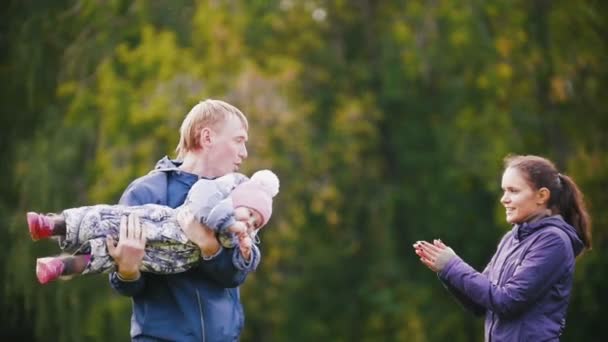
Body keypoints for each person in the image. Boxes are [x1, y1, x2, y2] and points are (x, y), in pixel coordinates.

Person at [106, 99, 253, 341]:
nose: (244, 153)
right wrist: (128, 270)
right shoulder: (145, 193)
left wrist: (209, 245)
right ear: (207, 138)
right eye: (239, 140)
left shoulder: (236, 197)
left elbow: (235, 275)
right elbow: (123, 284)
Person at [414, 154, 592, 341]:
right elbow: (480, 304)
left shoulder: (554, 241)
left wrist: (452, 265)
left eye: (513, 191)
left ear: (541, 196)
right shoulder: (511, 238)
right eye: (504, 191)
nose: (504, 199)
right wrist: (445, 269)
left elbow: (507, 302)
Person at [27, 169, 280, 284]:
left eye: (256, 223)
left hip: (168, 259)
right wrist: (127, 270)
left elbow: (235, 272)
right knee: (105, 221)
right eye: (249, 214)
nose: (249, 222)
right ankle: (51, 224)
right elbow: (206, 209)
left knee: (101, 259)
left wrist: (247, 251)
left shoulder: (233, 236)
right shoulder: (214, 194)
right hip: (155, 224)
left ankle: (57, 266)